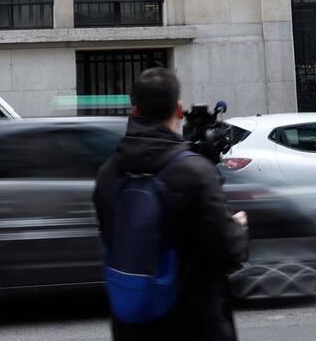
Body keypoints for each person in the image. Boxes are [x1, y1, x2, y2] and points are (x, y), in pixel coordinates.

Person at [93, 68, 250, 341]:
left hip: (131, 325)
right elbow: (229, 252)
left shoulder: (109, 173)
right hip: (193, 324)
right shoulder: (194, 172)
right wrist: (237, 227)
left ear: (134, 111)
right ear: (178, 110)